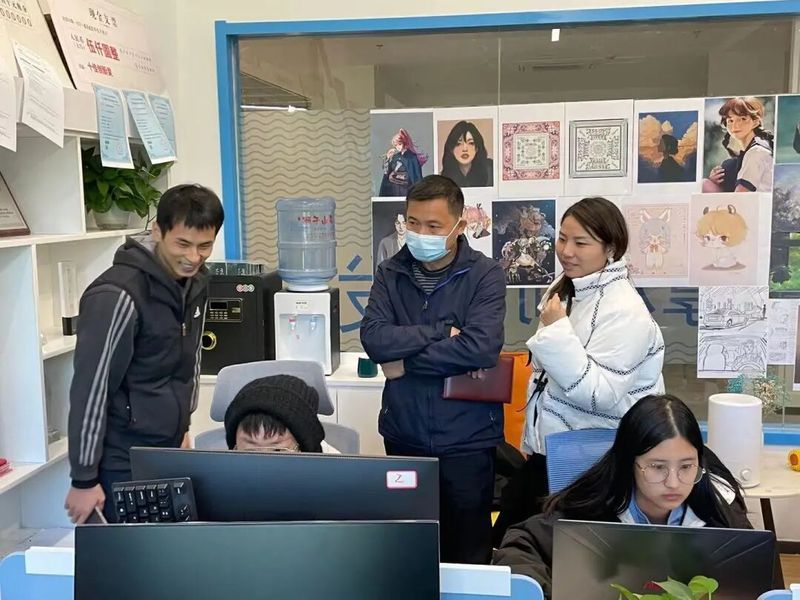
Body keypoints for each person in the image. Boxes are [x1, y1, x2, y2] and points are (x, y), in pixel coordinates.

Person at [492, 196, 665, 544]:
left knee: (562, 555)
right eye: (562, 238)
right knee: (515, 545)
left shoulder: (624, 310)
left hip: (592, 464)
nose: (566, 251)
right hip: (554, 453)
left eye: (581, 243)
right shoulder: (570, 288)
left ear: (610, 248)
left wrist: (557, 331)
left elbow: (600, 394)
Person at [360, 174, 507, 564]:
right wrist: (441, 332)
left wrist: (403, 361)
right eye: (413, 222)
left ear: (460, 226)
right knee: (409, 551)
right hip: (404, 436)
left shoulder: (485, 274)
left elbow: (481, 347)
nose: (420, 233)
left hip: (467, 439)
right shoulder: (390, 272)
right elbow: (374, 339)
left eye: (433, 226)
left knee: (468, 554)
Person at [64, 184, 224, 524]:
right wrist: (83, 479)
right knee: (129, 552)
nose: (194, 257)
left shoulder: (196, 283)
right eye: (182, 244)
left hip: (167, 448)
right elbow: (91, 389)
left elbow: (190, 359)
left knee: (165, 548)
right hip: (122, 457)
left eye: (204, 246)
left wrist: (183, 426)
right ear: (157, 232)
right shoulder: (117, 294)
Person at [493, 394, 752, 599]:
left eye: (686, 466)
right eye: (657, 467)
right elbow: (522, 544)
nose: (673, 482)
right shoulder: (593, 510)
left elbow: (757, 579)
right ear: (629, 463)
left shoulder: (722, 518)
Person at [223, 374, 338, 454]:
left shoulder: (334, 471)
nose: (262, 465)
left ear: (304, 448)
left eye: (277, 451)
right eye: (250, 451)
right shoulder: (220, 471)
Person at [704, 96, 774, 193]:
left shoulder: (756, 152)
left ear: (755, 122)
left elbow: (741, 194)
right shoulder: (746, 154)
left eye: (743, 119)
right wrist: (715, 181)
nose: (735, 125)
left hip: (755, 202)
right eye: (731, 120)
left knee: (704, 185)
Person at [440, 120, 494, 187]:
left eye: (471, 143)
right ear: (451, 149)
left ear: (477, 148)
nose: (465, 149)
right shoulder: (443, 178)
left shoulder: (491, 170)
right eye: (458, 144)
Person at [379, 128, 427, 197]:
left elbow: (416, 176)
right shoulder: (395, 157)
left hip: (406, 189)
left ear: (404, 143)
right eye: (396, 145)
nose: (397, 147)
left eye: (399, 144)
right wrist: (387, 159)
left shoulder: (412, 157)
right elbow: (387, 173)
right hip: (394, 190)